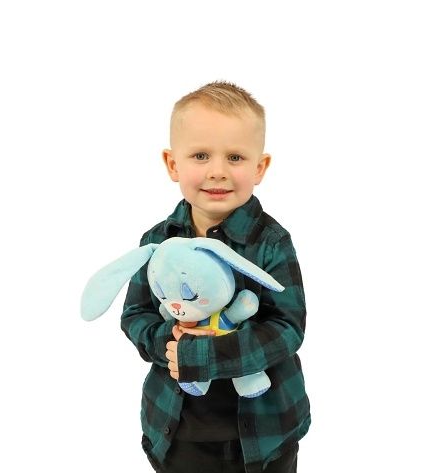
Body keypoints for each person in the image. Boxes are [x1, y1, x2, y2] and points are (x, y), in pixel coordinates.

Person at [121, 81, 310, 473]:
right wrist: (171, 341)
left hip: (265, 432)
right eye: (201, 155)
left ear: (260, 168)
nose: (218, 172)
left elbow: (288, 328)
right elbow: (136, 315)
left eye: (235, 157)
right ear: (173, 164)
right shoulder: (157, 243)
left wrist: (208, 356)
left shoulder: (271, 242)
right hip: (179, 431)